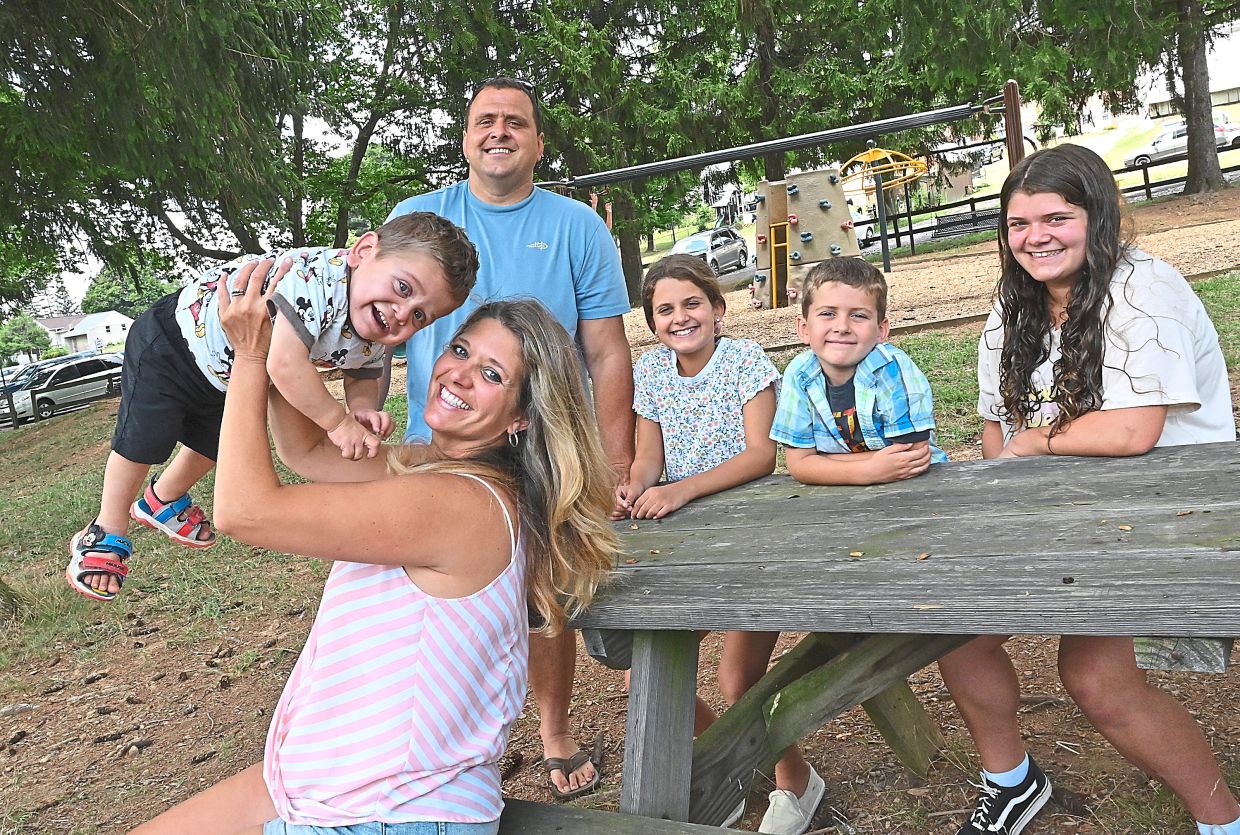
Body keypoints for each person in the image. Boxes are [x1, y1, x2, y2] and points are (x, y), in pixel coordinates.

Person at [130, 263, 618, 835]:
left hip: (391, 810)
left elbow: (244, 510)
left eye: (490, 373)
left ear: (521, 418)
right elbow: (306, 452)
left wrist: (251, 359)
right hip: (342, 780)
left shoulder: (459, 505)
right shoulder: (428, 470)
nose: (458, 375)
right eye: (460, 350)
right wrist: (294, 332)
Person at [939, 144, 1240, 835]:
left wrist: (1041, 442)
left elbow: (1134, 431)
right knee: (949, 629)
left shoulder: (1144, 289)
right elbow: (996, 433)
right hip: (1064, 512)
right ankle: (1013, 781)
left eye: (1055, 217)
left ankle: (1222, 819)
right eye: (1018, 224)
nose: (1035, 237)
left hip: (1167, 508)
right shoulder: (1014, 304)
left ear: (1096, 216)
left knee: (1094, 676)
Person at [384, 76, 634, 799]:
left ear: (537, 142)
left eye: (515, 122)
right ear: (465, 139)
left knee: (543, 596)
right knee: (441, 601)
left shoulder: (578, 227)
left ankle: (554, 727)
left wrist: (614, 464)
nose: (499, 132)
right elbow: (377, 329)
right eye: (485, 121)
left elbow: (608, 351)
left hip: (543, 443)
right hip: (440, 447)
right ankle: (460, 742)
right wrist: (355, 417)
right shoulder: (418, 216)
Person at [67, 213, 478, 603]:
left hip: (227, 370)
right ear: (364, 251)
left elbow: (364, 372)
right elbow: (284, 365)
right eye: (403, 288)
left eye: (420, 316)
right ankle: (107, 526)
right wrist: (338, 423)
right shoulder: (317, 282)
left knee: (219, 445)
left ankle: (162, 499)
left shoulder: (374, 321)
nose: (401, 314)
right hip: (171, 343)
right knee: (143, 440)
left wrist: (362, 409)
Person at [615, 254, 820, 834]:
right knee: (645, 676)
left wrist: (680, 492)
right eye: (664, 310)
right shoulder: (651, 372)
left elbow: (761, 456)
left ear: (718, 308)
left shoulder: (744, 360)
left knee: (737, 680)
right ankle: (727, 766)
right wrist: (637, 484)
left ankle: (796, 780)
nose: (680, 317)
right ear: (652, 322)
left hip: (750, 531)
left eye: (691, 303)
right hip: (683, 539)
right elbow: (649, 453)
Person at [770, 257, 946, 486]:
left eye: (859, 315)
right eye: (828, 314)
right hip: (842, 496)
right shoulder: (799, 374)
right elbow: (799, 465)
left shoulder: (893, 368)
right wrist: (869, 470)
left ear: (880, 330)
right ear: (804, 329)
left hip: (919, 486)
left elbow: (912, 457)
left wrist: (822, 461)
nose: (842, 327)